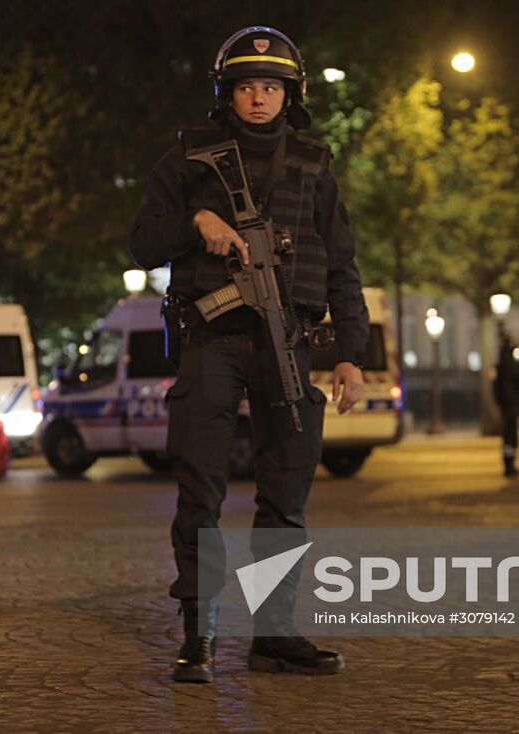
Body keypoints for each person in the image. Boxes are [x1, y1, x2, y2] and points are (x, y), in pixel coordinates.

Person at [129, 26, 367, 683]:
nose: (258, 98)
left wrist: (351, 353)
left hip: (288, 343)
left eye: (270, 86)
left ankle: (274, 632)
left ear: (290, 95)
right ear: (225, 94)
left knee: (285, 496)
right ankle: (197, 636)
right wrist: (195, 225)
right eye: (245, 87)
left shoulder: (314, 166)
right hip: (213, 343)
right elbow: (143, 242)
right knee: (200, 491)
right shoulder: (187, 158)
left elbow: (341, 263)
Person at [493, 332, 519, 477]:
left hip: (506, 406)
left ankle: (509, 464)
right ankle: (510, 465)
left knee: (508, 437)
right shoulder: (510, 366)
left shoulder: (500, 367)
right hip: (511, 406)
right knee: (511, 437)